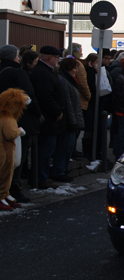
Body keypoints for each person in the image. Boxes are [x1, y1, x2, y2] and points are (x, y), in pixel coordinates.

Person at [0, 45, 41, 202]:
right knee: (16, 158)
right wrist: (38, 114)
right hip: (19, 120)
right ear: (12, 57)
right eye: (17, 56)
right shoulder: (18, 72)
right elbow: (29, 95)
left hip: (2, 119)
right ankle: (12, 190)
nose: (19, 58)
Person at [30, 46, 66, 189]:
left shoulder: (46, 71)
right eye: (56, 58)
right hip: (47, 119)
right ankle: (41, 177)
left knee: (47, 149)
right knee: (45, 150)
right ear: (49, 58)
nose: (58, 60)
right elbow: (45, 96)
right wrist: (57, 111)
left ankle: (41, 176)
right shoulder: (42, 72)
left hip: (49, 118)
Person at [53, 58, 85, 182]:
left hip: (72, 117)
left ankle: (62, 170)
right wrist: (72, 121)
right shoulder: (64, 80)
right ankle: (59, 171)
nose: (76, 71)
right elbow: (68, 103)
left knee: (69, 146)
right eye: (75, 68)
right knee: (64, 147)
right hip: (68, 119)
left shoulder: (69, 80)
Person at [0, 88, 28, 211]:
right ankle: (2, 195)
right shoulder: (8, 119)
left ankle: (5, 195)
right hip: (5, 150)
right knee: (5, 173)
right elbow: (10, 134)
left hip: (5, 149)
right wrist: (20, 131)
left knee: (7, 173)